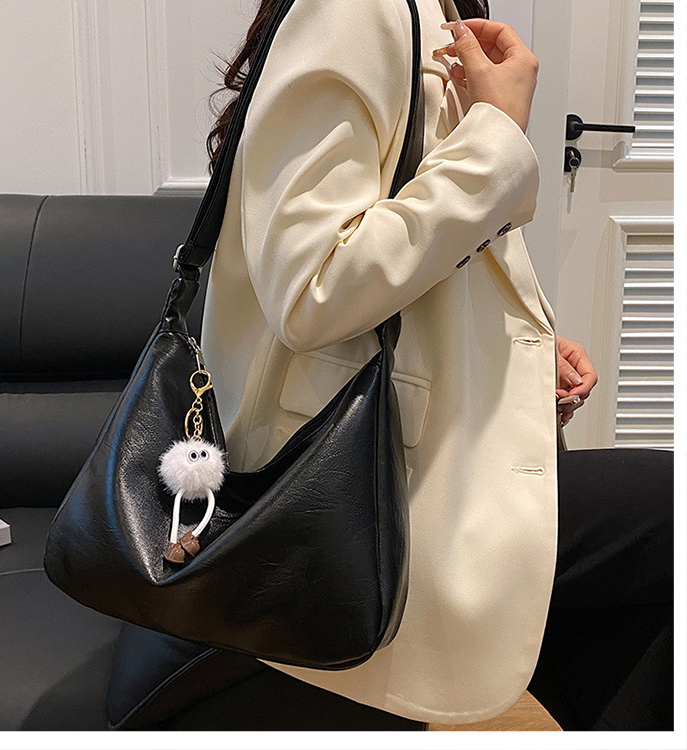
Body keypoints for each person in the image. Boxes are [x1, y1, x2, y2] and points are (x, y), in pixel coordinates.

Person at [199, 0, 673, 730]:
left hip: (410, 453)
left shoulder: (425, 9)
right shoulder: (353, 7)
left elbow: (418, 246)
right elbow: (314, 286)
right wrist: (495, 135)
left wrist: (518, 351)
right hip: (354, 483)